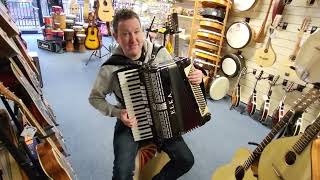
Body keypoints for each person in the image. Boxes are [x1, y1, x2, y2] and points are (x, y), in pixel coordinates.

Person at [89, 9, 204, 180]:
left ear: (142, 32)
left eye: (136, 32)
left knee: (186, 160)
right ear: (116, 37)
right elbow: (94, 98)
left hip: (163, 120)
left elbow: (180, 78)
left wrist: (197, 77)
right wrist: (118, 113)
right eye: (125, 34)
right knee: (121, 173)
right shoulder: (110, 67)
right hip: (131, 123)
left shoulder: (160, 53)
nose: (133, 39)